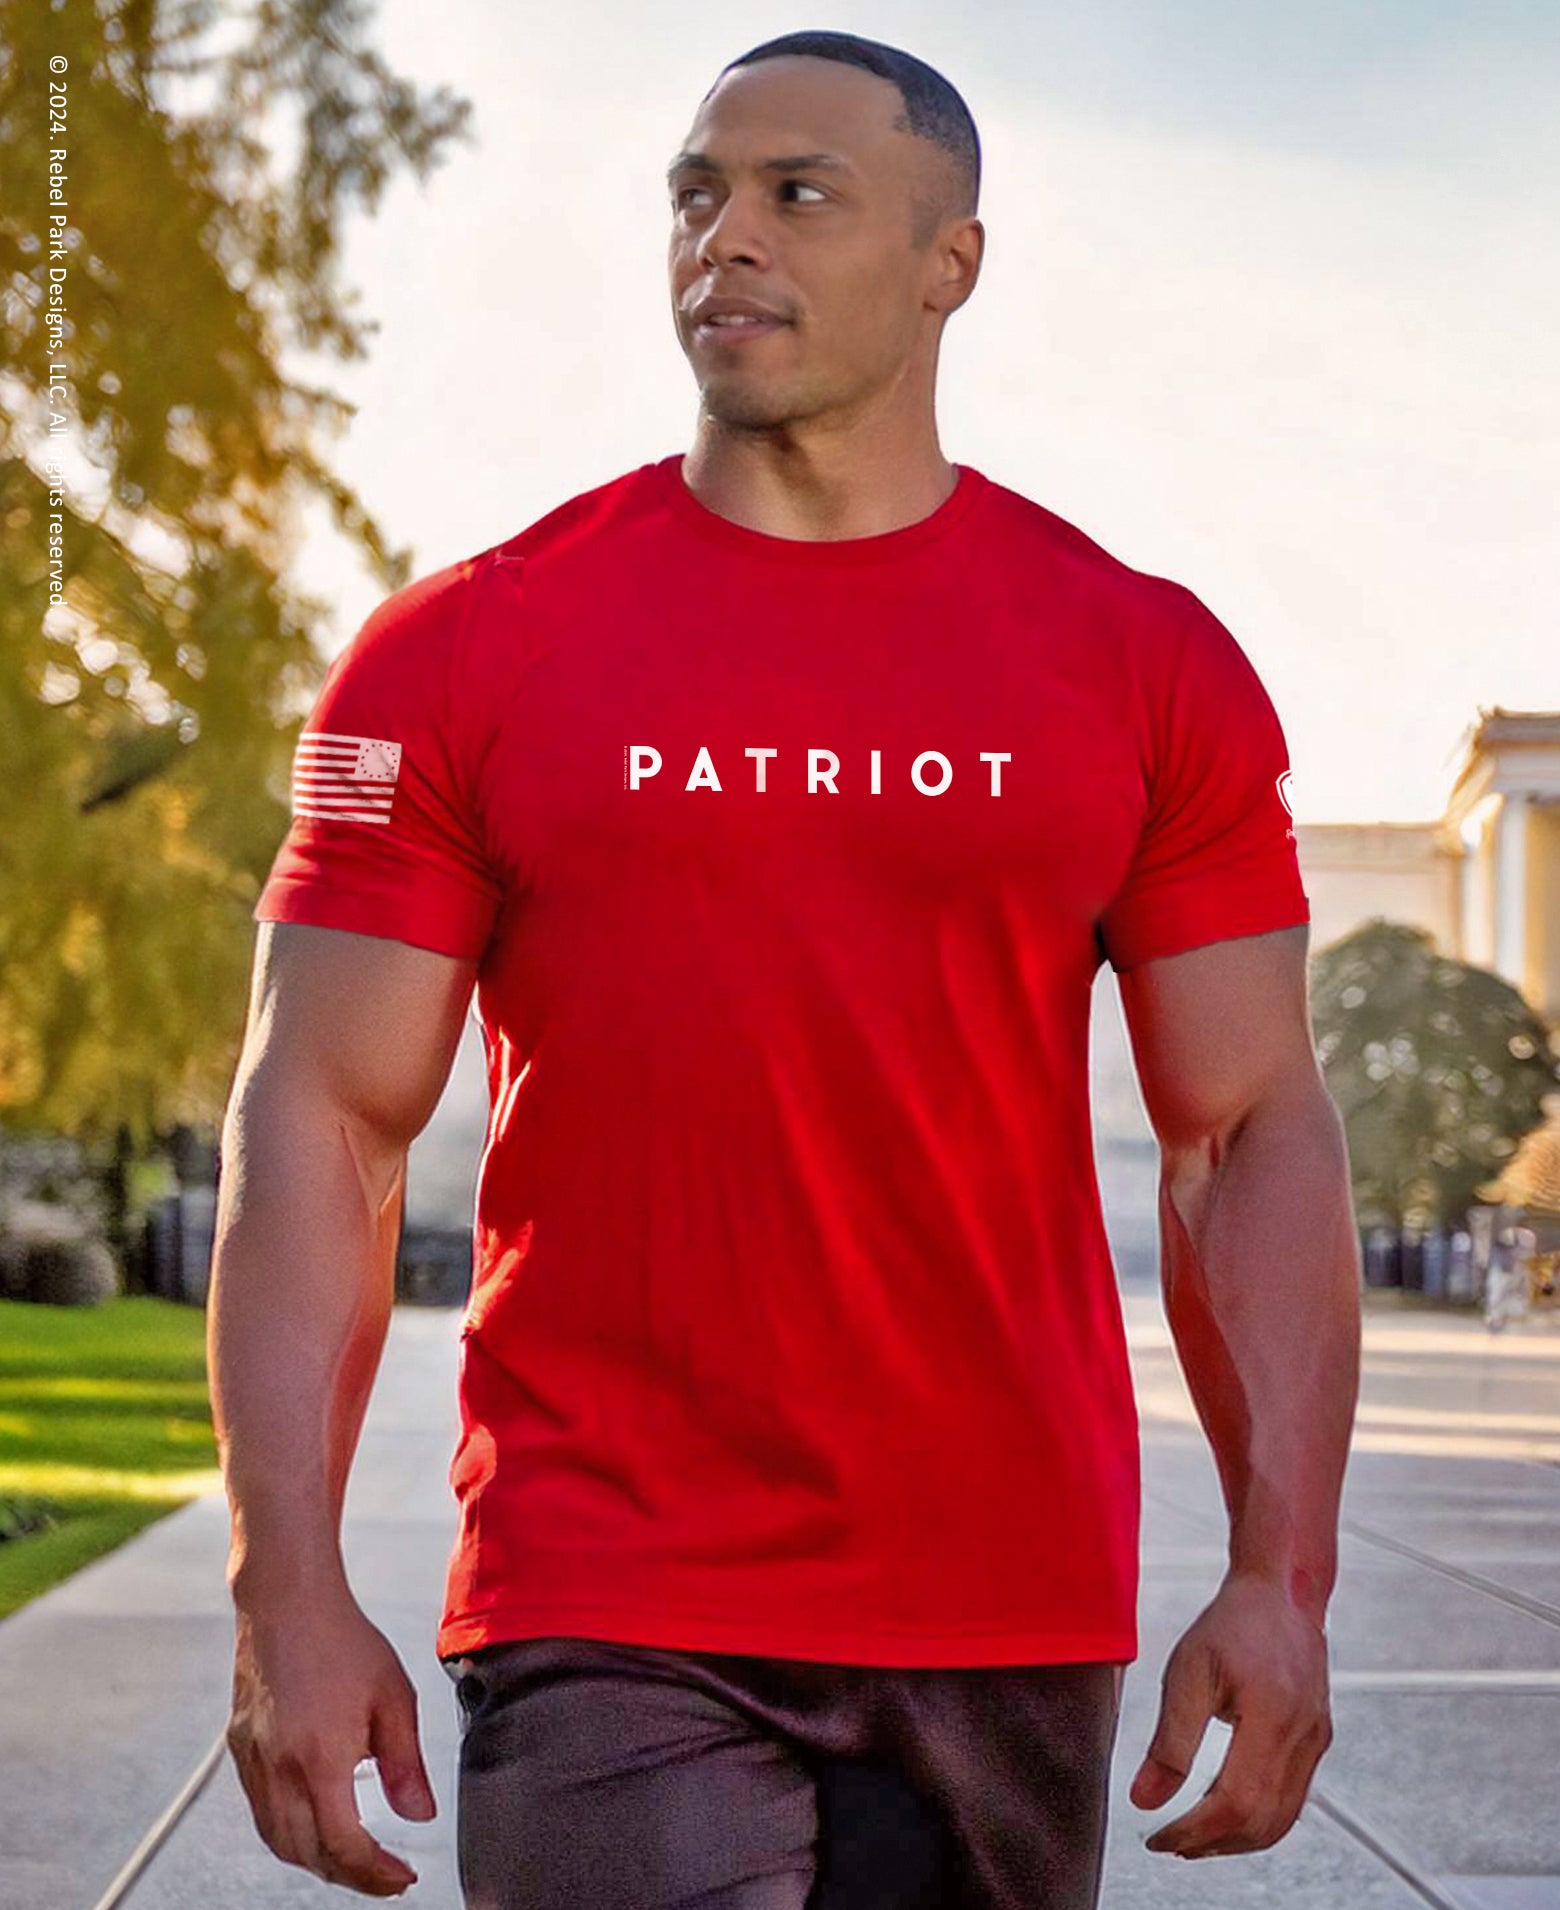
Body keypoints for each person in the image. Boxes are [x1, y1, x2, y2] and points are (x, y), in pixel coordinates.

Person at [209, 27, 1363, 1909]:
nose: (721, 237)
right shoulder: (452, 654)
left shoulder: (1148, 663)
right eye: (695, 192)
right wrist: (288, 1584)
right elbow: (320, 1119)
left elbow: (1250, 1130)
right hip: (606, 1583)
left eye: (794, 194)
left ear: (948, 261)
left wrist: (1281, 1575)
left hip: (1006, 1589)